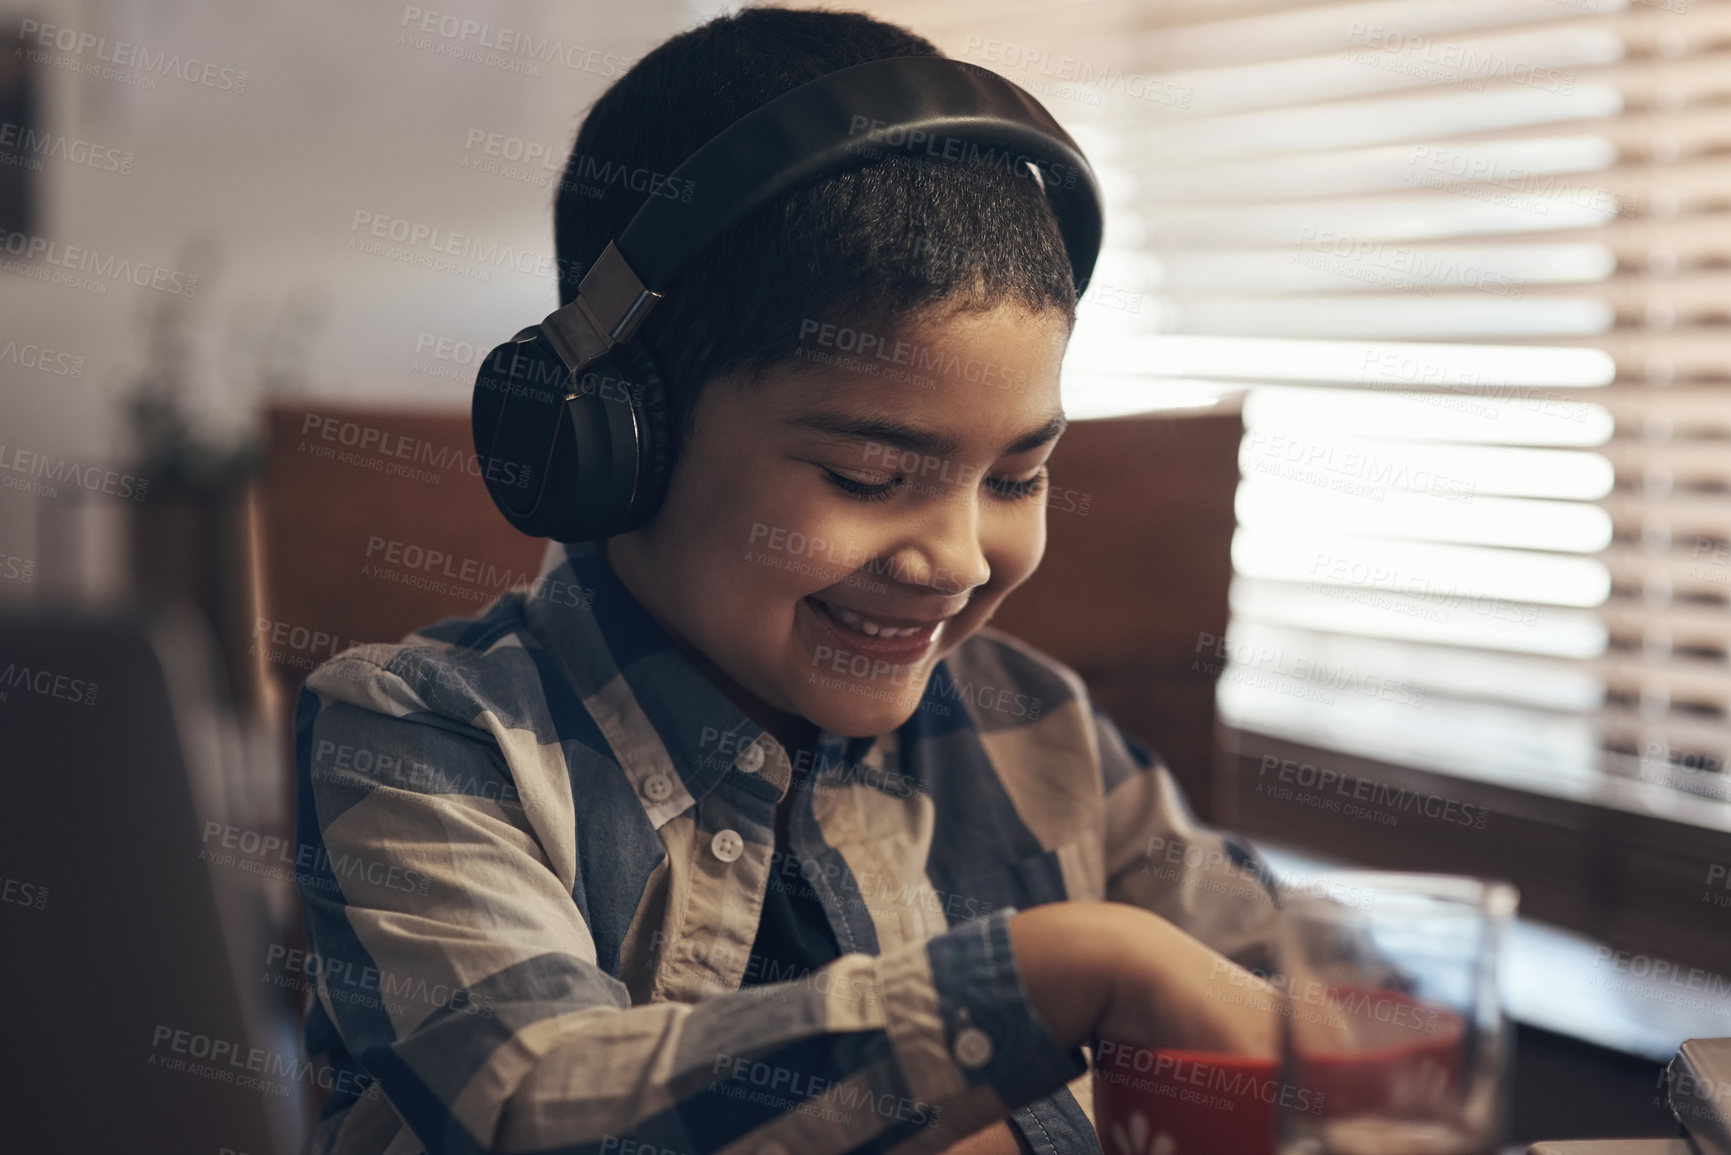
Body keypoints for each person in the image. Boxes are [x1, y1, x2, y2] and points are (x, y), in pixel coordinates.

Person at [294, 8, 1288, 1154]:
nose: (960, 561)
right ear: (617, 442)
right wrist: (1063, 979)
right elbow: (540, 1108)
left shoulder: (1038, 727)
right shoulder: (423, 738)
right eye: (869, 475)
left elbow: (1305, 996)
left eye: (1018, 477)